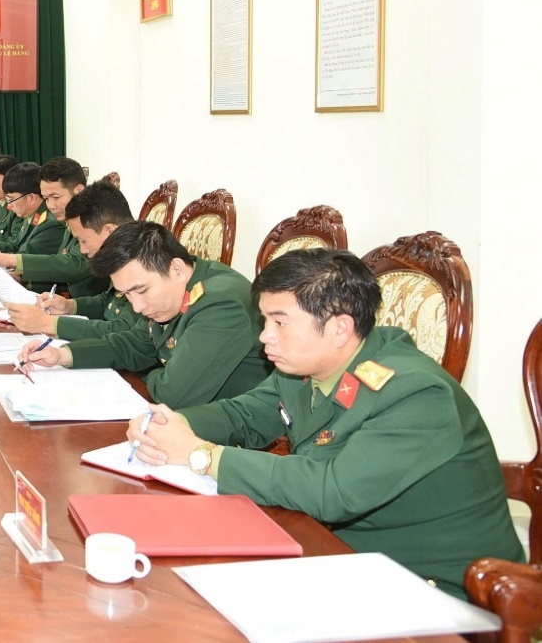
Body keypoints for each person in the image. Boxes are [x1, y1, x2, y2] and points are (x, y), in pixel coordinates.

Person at [124, 249, 523, 598]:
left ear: (340, 328)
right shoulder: (305, 367)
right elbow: (242, 415)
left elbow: (333, 490)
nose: (265, 337)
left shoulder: (416, 393)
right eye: (264, 321)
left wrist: (201, 455)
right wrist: (167, 422)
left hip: (433, 588)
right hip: (337, 550)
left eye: (280, 323)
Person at [18, 220, 268, 406]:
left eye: (142, 290)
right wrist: (62, 355)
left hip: (231, 437)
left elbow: (174, 394)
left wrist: (151, 372)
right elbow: (134, 345)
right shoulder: (173, 288)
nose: (137, 307)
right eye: (127, 294)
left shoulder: (220, 303)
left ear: (177, 269)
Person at [7, 180, 143, 340]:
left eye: (83, 241)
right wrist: (70, 306)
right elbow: (109, 302)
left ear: (109, 230)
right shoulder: (125, 251)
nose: (83, 250)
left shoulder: (141, 260)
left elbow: (123, 331)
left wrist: (50, 324)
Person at [0, 156, 106, 298]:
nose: (51, 206)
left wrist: (11, 260)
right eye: (46, 199)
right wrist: (23, 280)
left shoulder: (93, 220)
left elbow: (74, 264)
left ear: (78, 190)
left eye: (56, 197)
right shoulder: (69, 218)